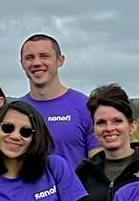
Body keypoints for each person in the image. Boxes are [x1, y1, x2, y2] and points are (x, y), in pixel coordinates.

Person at [17, 35, 96, 169]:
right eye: (29, 58)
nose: (36, 63)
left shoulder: (85, 107)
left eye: (44, 56)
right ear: (22, 64)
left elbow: (98, 163)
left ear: (60, 60)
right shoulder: (15, 112)